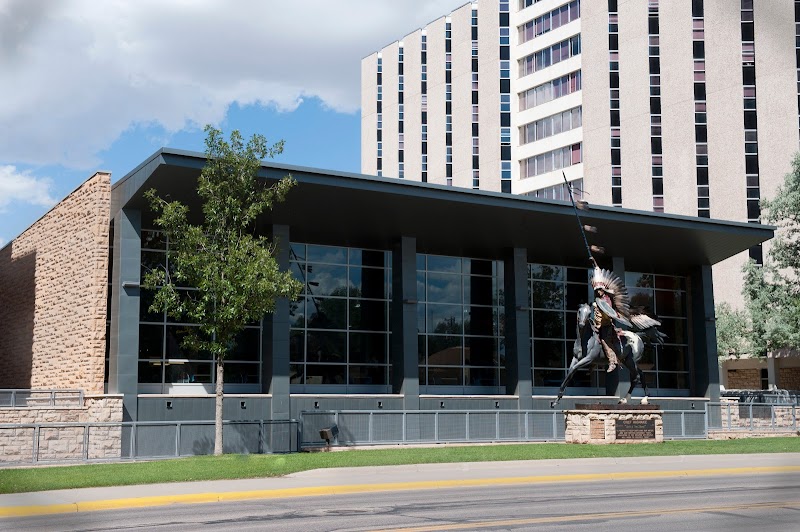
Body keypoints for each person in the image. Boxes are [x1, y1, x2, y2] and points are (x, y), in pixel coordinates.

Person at [590, 268, 632, 373]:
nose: (598, 292)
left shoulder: (607, 300)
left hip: (606, 325)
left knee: (605, 341)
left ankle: (612, 361)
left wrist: (599, 323)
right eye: (597, 290)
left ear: (603, 289)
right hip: (598, 324)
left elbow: (608, 313)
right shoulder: (597, 301)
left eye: (599, 289)